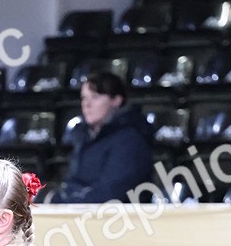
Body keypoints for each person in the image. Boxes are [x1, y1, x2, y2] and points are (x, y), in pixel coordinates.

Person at [49, 71, 153, 204]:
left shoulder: (130, 139)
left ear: (116, 100)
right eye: (84, 98)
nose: (87, 104)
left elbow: (111, 193)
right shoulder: (82, 135)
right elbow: (73, 182)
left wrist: (61, 201)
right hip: (84, 211)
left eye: (95, 97)